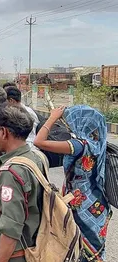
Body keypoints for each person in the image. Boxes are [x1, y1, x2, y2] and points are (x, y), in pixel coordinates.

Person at [34, 105, 112, 261]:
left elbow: (39, 141)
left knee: (79, 248)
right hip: (98, 202)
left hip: (80, 205)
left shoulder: (79, 145)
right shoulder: (98, 143)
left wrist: (52, 118)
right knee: (94, 249)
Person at [0, 103, 45, 262]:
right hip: (30, 246)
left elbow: (10, 229)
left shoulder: (11, 172)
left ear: (3, 132)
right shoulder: (37, 158)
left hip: (10, 255)